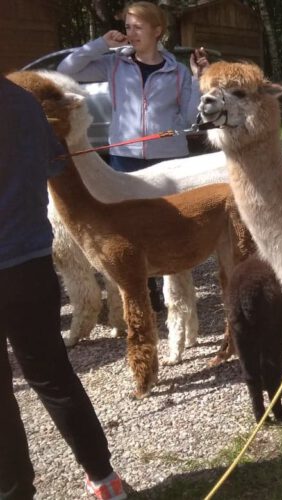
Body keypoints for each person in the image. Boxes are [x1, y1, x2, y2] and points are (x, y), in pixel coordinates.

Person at [0, 76, 125, 499]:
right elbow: (53, 164)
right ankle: (104, 479)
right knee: (53, 375)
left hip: (22, 259)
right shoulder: (23, 102)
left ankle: (15, 491)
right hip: (29, 265)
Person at [57, 1, 210, 309]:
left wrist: (197, 77)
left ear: (157, 30)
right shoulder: (114, 64)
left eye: (138, 26)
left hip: (167, 159)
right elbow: (66, 70)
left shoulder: (177, 71)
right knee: (129, 228)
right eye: (128, 26)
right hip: (124, 158)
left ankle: (176, 295)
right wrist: (101, 44)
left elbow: (191, 117)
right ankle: (143, 292)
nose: (131, 32)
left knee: (169, 224)